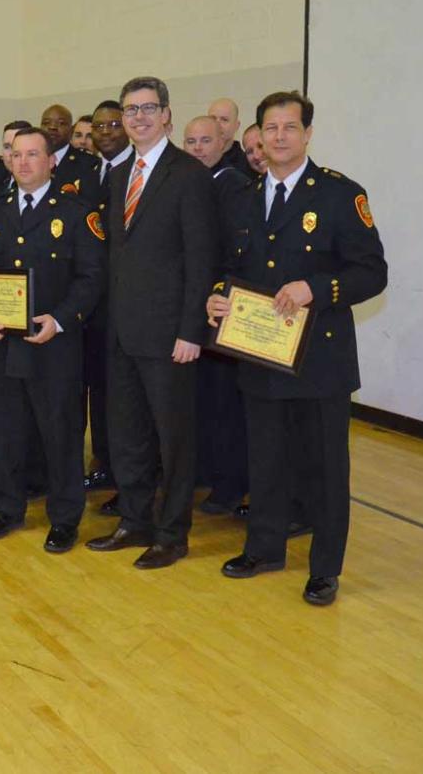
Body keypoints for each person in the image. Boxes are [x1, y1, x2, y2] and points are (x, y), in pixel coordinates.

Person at [208, 91, 386, 606]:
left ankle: (325, 568)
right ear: (258, 135)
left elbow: (372, 272)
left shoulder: (338, 195)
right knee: (264, 459)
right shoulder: (240, 198)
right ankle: (264, 548)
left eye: (290, 127)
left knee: (325, 470)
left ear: (308, 134)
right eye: (271, 128)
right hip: (259, 352)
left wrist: (318, 289)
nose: (279, 137)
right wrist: (217, 297)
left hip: (320, 361)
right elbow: (228, 269)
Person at [85, 76, 215, 569]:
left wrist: (190, 330)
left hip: (169, 336)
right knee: (127, 434)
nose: (137, 117)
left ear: (166, 115)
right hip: (122, 332)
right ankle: (134, 519)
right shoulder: (118, 176)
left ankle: (172, 531)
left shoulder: (189, 175)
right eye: (129, 110)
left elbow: (200, 259)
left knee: (174, 438)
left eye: (147, 108)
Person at [0, 128, 104, 548]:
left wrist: (59, 320)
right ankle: (7, 508)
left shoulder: (76, 213)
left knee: (59, 433)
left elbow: (92, 277)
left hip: (53, 345)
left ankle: (65, 516)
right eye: (16, 155)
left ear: (51, 160)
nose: (23, 162)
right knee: (4, 431)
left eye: (33, 154)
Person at [183, 115, 253, 512]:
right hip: (195, 310)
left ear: (224, 143)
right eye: (190, 141)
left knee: (226, 406)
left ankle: (229, 486)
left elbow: (231, 254)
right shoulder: (190, 182)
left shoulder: (235, 187)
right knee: (203, 403)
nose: (197, 148)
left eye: (205, 140)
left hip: (225, 310)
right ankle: (205, 472)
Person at [82, 100, 132, 502]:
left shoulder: (138, 173)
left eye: (115, 124)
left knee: (125, 400)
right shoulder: (86, 172)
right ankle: (104, 464)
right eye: (99, 126)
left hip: (128, 307)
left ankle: (129, 478)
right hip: (92, 307)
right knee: (100, 392)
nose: (106, 132)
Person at [40, 103, 99, 197]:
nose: (52, 127)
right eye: (46, 123)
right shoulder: (31, 160)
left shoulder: (90, 164)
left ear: (71, 130)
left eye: (61, 123)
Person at [208, 98, 254, 177]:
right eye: (213, 118)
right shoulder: (198, 160)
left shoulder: (248, 165)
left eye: (224, 120)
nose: (217, 124)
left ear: (236, 126)